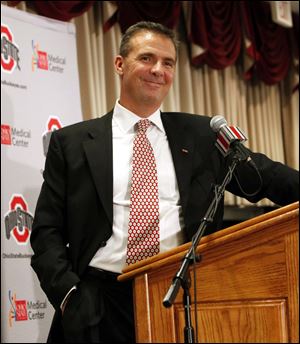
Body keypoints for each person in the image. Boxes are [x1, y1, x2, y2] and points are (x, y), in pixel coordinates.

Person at [30, 21, 299, 343]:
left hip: (183, 298)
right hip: (100, 302)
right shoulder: (71, 142)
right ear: (119, 64)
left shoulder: (203, 136)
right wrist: (69, 295)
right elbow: (47, 231)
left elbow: (267, 178)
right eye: (146, 58)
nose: (158, 70)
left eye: (167, 63)